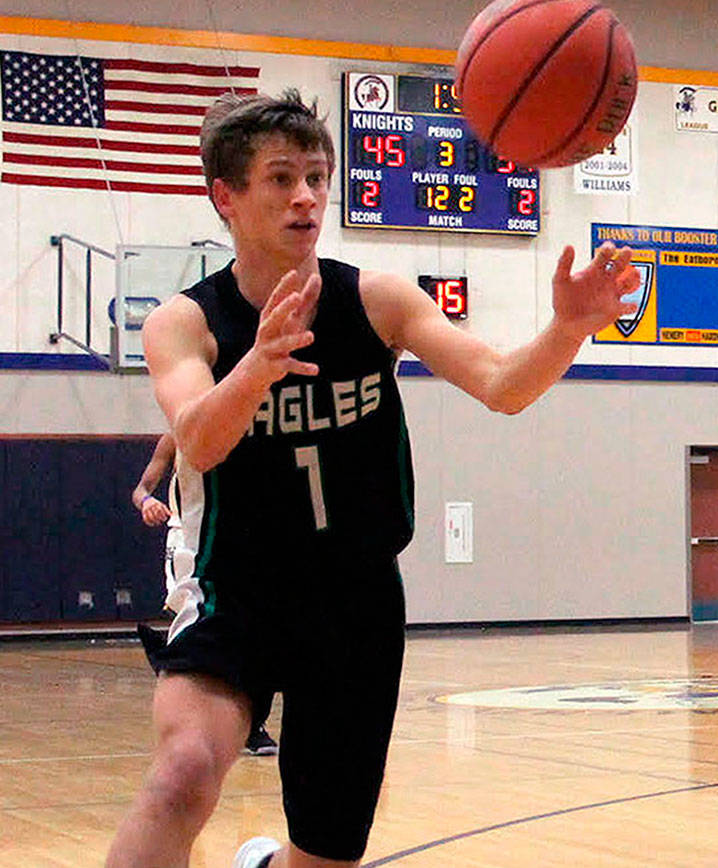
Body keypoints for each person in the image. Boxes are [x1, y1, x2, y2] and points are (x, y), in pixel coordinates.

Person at [105, 89, 639, 868]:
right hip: (233, 587)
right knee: (184, 773)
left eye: (317, 177)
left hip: (354, 600)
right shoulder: (185, 322)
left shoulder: (377, 299)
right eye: (281, 178)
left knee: (324, 852)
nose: (306, 196)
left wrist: (567, 329)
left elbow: (502, 385)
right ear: (226, 195)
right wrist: (257, 365)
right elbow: (200, 438)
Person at [131, 432, 279, 757]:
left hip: (234, 535)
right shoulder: (174, 435)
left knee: (252, 625)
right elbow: (140, 490)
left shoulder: (252, 427)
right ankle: (186, 709)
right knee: (191, 619)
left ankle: (250, 722)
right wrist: (148, 502)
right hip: (186, 537)